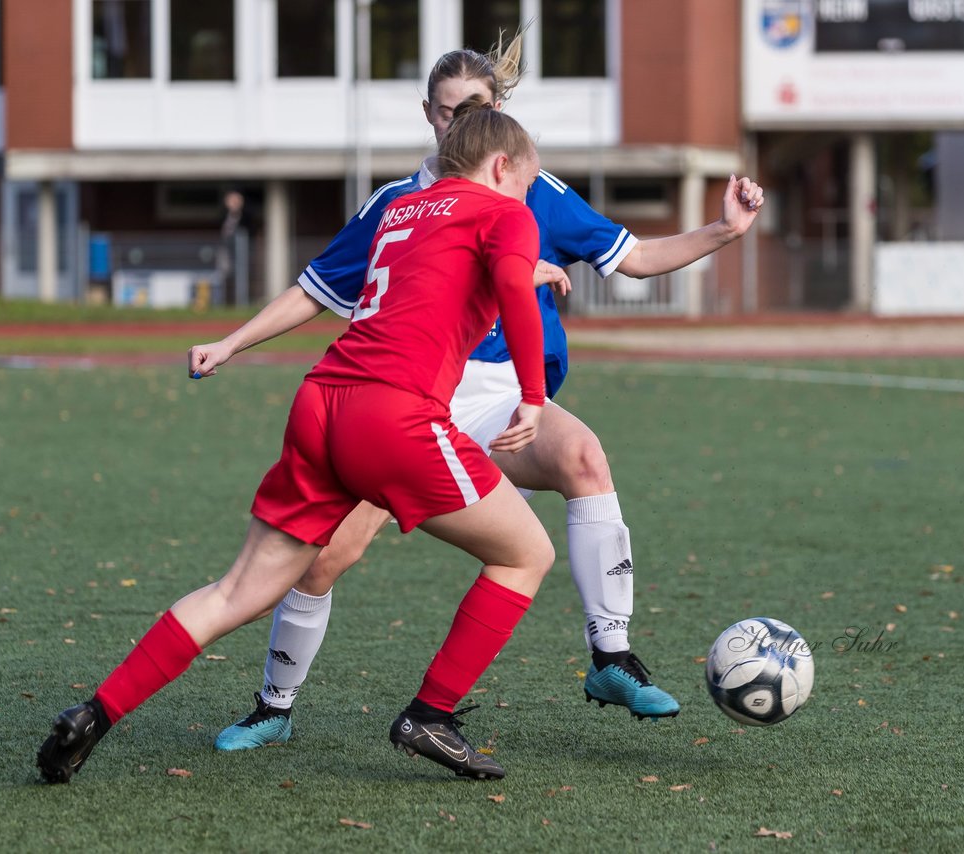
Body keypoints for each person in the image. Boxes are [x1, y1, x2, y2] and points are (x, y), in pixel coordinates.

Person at [202, 34, 766, 751]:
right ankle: (274, 706)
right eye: (443, 113)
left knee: (584, 457)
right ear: (428, 117)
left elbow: (636, 258)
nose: (456, 123)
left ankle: (611, 656)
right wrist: (230, 343)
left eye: (471, 108)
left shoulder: (532, 188)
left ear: (496, 111)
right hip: (407, 400)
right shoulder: (398, 204)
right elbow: (313, 294)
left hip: (500, 399)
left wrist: (725, 228)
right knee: (323, 557)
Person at [37, 100, 552, 783]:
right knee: (526, 554)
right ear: (503, 165)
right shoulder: (504, 211)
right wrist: (534, 396)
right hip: (394, 415)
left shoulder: (404, 210)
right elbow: (509, 280)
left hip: (322, 402)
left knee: (235, 591)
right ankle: (432, 713)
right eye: (525, 184)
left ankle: (95, 713)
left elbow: (437, 279)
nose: (527, 201)